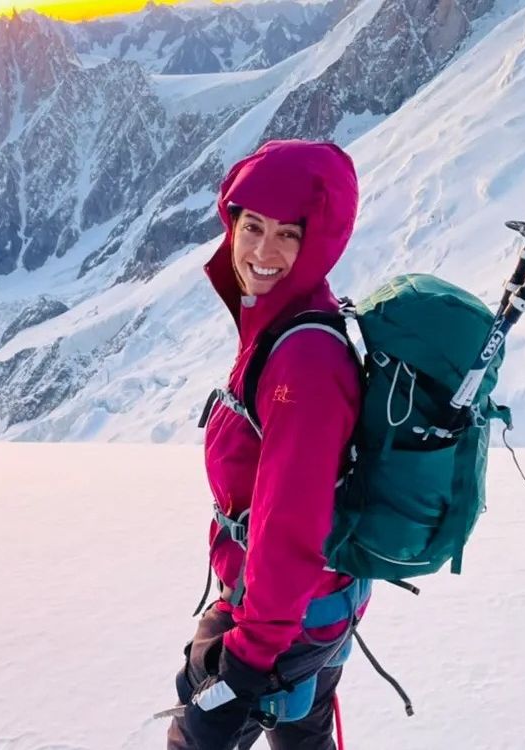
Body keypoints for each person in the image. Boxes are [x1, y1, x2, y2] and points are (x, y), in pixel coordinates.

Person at [167, 140, 368, 750]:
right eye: (252, 226)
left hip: (284, 621)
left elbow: (290, 524)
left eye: (289, 234)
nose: (262, 251)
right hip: (316, 607)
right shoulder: (286, 321)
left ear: (321, 241)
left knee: (198, 736)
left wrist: (247, 667)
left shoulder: (303, 357)